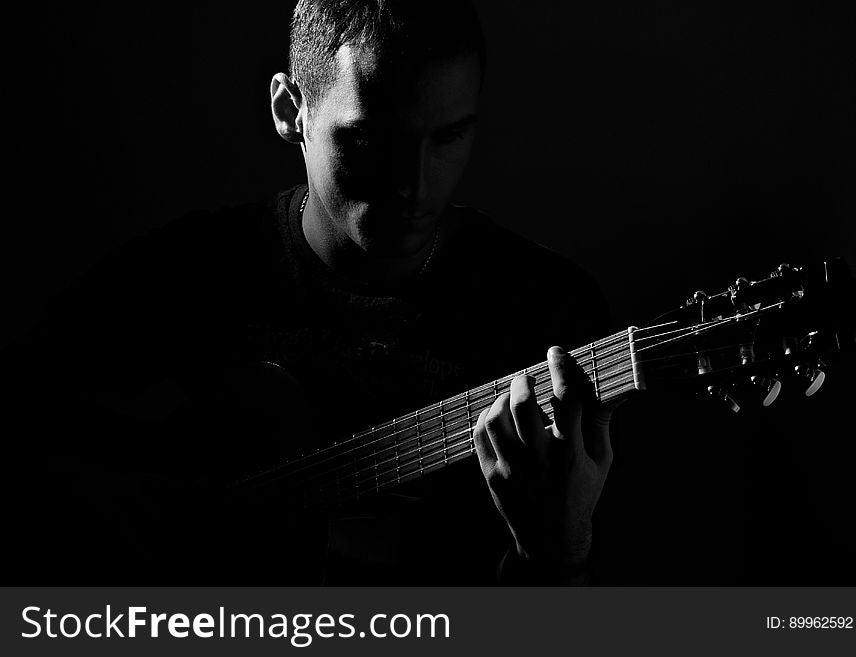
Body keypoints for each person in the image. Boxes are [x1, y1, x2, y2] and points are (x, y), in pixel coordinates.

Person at [3, 0, 613, 585]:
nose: (413, 186)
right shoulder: (187, 277)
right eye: (370, 141)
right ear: (289, 109)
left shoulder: (548, 317)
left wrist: (557, 557)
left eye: (448, 138)